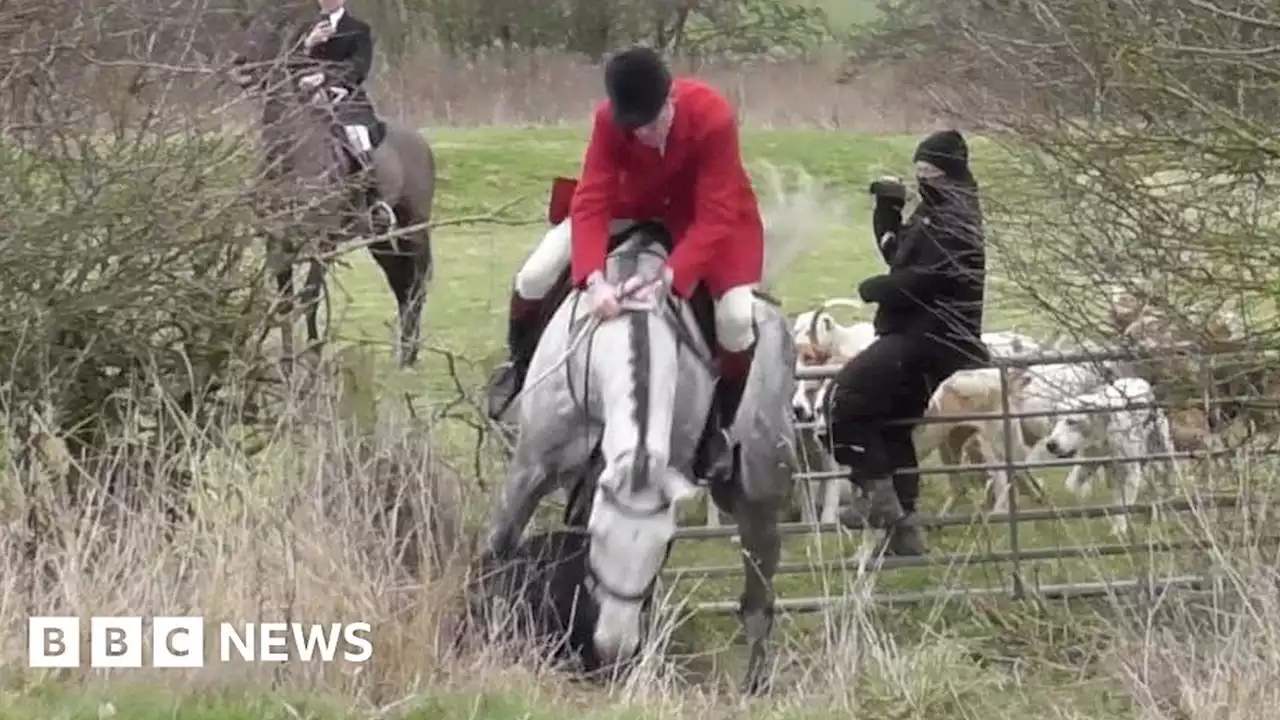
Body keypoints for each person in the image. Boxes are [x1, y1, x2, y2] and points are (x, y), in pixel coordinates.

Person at [484, 46, 764, 475]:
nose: (643, 135)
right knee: (534, 274)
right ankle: (519, 375)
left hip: (700, 218)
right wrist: (594, 281)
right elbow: (593, 197)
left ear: (671, 99)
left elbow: (717, 214)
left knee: (737, 319)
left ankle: (718, 428)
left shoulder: (713, 117)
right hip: (630, 205)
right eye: (634, 127)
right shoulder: (609, 121)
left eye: (652, 123)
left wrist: (669, 277)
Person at [825, 129, 987, 556]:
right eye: (918, 171)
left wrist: (880, 289)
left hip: (929, 335)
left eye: (928, 171)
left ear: (948, 171)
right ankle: (906, 532)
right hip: (929, 335)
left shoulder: (956, 216)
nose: (922, 178)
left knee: (844, 398)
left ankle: (878, 502)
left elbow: (929, 277)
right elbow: (901, 258)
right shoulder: (939, 211)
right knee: (891, 424)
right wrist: (887, 213)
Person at [298, 0, 394, 232]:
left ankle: (374, 199)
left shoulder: (358, 29)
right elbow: (286, 63)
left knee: (356, 133)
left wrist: (325, 77)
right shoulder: (303, 28)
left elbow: (359, 66)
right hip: (301, 99)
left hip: (345, 97)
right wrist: (307, 44)